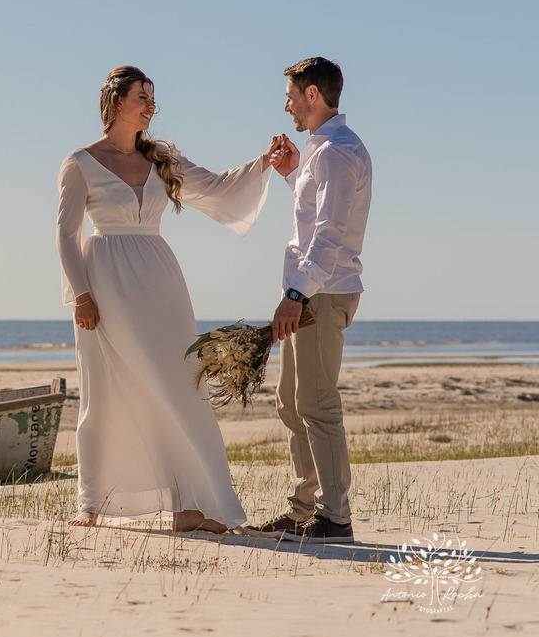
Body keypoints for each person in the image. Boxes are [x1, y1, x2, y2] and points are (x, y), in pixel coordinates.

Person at [57, 65, 280, 532]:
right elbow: (66, 234)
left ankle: (189, 506)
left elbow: (216, 187)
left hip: (161, 282)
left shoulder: (163, 157)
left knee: (182, 387)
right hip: (105, 284)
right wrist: (81, 295)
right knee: (103, 392)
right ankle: (91, 502)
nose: (151, 105)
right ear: (117, 101)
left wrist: (264, 161)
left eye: (152, 98)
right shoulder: (80, 162)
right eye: (142, 96)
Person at [252, 57, 372, 544]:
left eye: (290, 97)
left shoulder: (339, 152)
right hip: (307, 292)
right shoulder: (320, 150)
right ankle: (304, 510)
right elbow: (314, 213)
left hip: (321, 293)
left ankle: (334, 517)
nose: (286, 106)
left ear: (313, 95)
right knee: (290, 402)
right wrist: (290, 173)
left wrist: (296, 295)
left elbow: (330, 234)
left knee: (317, 404)